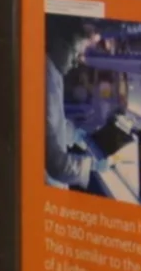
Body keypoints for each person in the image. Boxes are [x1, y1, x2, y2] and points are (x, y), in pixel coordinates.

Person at [45, 20, 106, 190]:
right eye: (75, 53)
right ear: (59, 44)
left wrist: (75, 134)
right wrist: (91, 166)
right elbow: (54, 163)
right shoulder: (43, 79)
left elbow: (54, 125)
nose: (76, 62)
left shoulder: (53, 72)